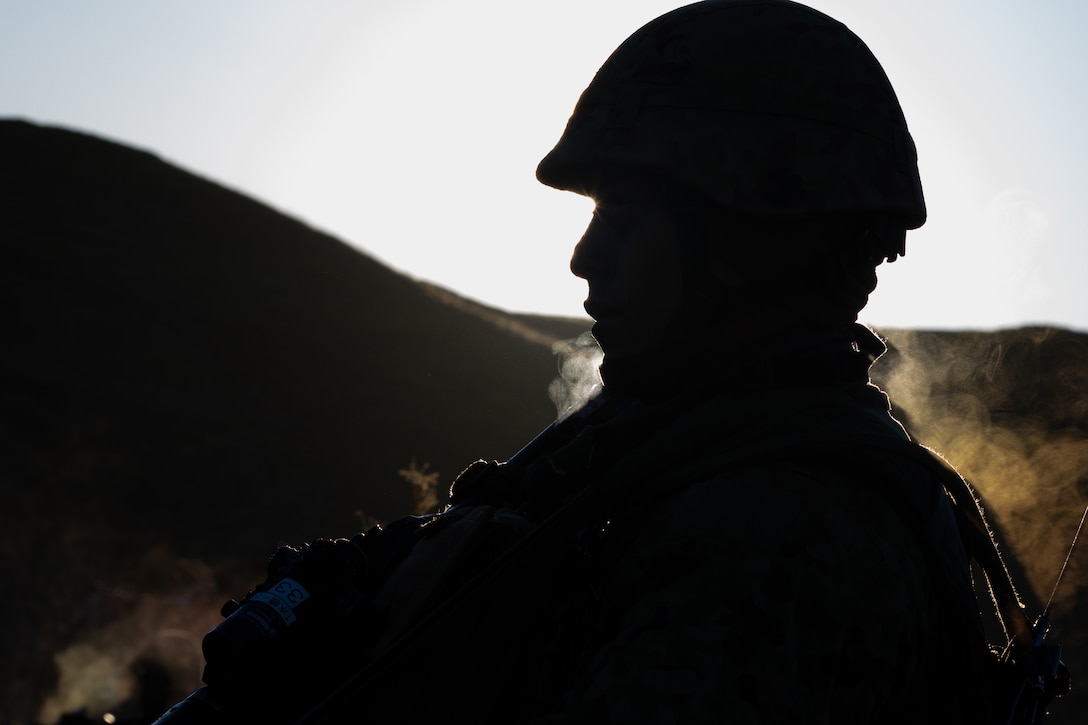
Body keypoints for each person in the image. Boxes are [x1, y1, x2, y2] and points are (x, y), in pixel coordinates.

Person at [155, 2, 1067, 724]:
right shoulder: (661, 463)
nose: (585, 259)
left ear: (748, 245)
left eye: (626, 218)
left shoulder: (778, 536)